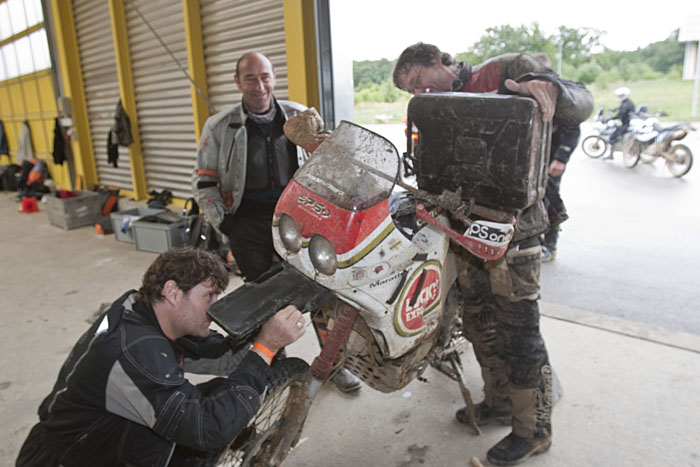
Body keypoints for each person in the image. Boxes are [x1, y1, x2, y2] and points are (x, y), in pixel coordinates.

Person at [393, 43, 592, 466]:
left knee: (520, 332)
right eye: (410, 90)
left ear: (436, 62)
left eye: (417, 81)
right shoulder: (432, 110)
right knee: (479, 322)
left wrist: (552, 89)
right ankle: (499, 403)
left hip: (515, 234)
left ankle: (533, 430)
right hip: (464, 232)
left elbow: (583, 100)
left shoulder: (505, 71)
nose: (418, 93)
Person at [16, 246, 306, 466]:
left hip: (109, 434)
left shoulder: (142, 311)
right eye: (209, 297)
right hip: (69, 459)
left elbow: (222, 356)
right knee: (210, 422)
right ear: (172, 292)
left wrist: (258, 328)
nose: (215, 309)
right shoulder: (134, 351)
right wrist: (265, 348)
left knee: (223, 392)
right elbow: (208, 429)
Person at [192, 52, 360, 393]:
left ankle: (331, 365)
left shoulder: (298, 115)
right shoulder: (219, 127)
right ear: (237, 82)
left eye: (265, 76)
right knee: (266, 300)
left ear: (274, 78)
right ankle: (273, 365)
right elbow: (204, 184)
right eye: (250, 78)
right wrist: (226, 225)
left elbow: (331, 165)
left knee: (320, 293)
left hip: (298, 220)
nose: (260, 85)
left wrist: (328, 149)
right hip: (248, 226)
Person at [532, 52, 582, 262]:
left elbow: (573, 128)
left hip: (551, 156)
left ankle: (550, 246)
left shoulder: (560, 92)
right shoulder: (530, 87)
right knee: (532, 201)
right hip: (533, 157)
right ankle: (534, 244)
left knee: (550, 200)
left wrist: (561, 158)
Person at [607, 86, 635, 151]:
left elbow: (621, 114)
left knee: (613, 137)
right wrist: (614, 109)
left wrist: (612, 118)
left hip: (626, 124)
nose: (619, 96)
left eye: (620, 95)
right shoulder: (627, 102)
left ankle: (612, 153)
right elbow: (620, 108)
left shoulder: (626, 104)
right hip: (627, 122)